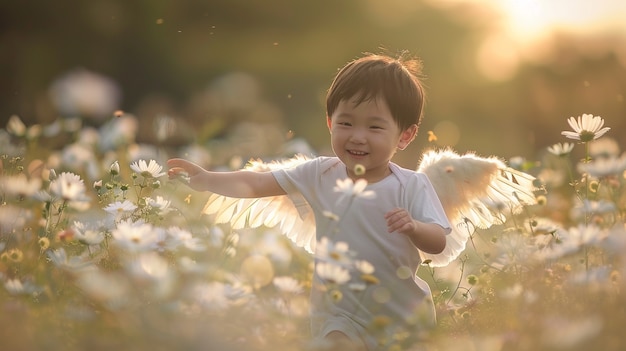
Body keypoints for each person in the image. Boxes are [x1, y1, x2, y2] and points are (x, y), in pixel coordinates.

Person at [168, 53, 451, 350]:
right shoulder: (319, 174)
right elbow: (257, 182)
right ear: (330, 122)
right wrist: (206, 179)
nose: (357, 136)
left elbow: (437, 242)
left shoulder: (411, 184)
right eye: (346, 123)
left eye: (375, 127)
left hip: (400, 316)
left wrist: (414, 226)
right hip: (338, 312)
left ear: (405, 136)